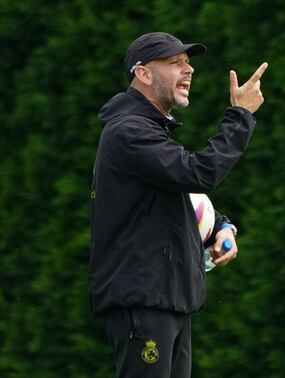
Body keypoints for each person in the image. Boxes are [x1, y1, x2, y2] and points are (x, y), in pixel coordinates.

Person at [89, 32, 267, 378]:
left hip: (166, 302)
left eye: (188, 62)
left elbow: (179, 196)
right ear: (143, 74)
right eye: (175, 62)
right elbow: (199, 173)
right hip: (144, 303)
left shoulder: (148, 131)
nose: (189, 70)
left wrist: (221, 227)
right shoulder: (129, 132)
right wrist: (241, 116)